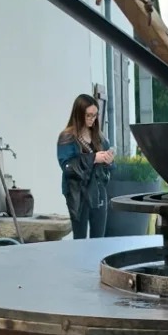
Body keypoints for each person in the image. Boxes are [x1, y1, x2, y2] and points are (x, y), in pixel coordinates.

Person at [57, 94, 113, 238]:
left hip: (98, 192)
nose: (92, 119)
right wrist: (93, 158)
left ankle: (97, 261)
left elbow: (108, 170)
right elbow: (68, 166)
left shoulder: (99, 137)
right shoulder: (67, 137)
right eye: (88, 115)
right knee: (80, 238)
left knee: (99, 239)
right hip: (77, 193)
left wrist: (108, 161)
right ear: (79, 114)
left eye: (95, 115)